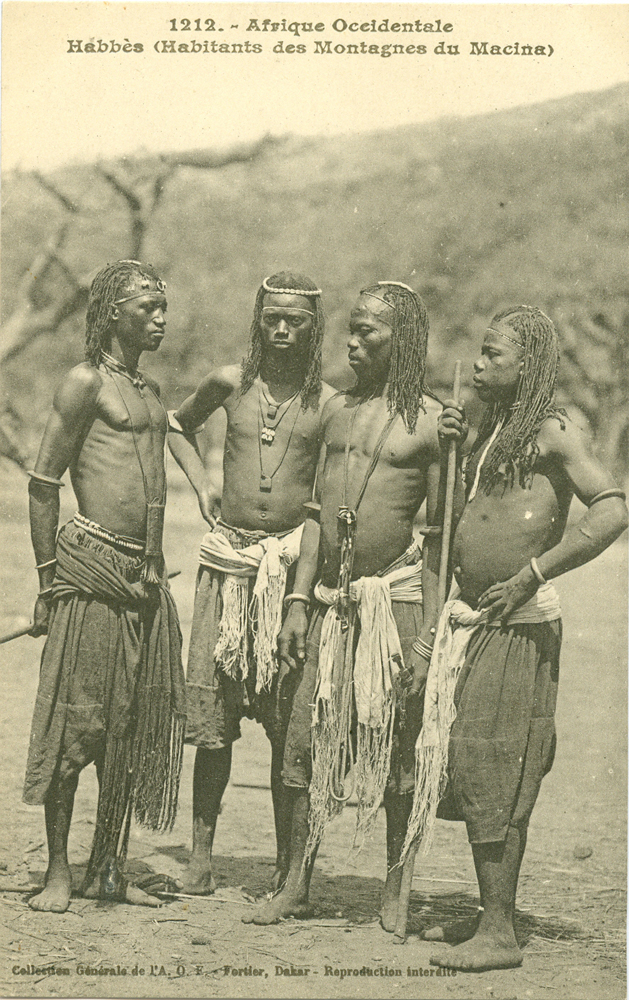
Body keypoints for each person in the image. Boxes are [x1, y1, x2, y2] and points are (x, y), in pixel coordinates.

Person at [403, 305, 628, 971]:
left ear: (525, 365)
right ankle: (488, 914)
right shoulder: (481, 431)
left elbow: (613, 507)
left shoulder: (553, 432)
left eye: (492, 355)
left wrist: (531, 574)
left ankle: (499, 931)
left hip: (516, 626)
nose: (476, 365)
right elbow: (449, 524)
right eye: (478, 352)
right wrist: (451, 449)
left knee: (499, 768)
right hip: (472, 621)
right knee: (471, 764)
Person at [243, 280, 451, 928]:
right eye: (351, 330)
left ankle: (396, 890)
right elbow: (312, 516)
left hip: (395, 605)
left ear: (404, 340)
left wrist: (426, 641)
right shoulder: (335, 411)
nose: (353, 342)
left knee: (398, 751)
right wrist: (298, 601)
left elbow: (443, 539)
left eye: (369, 332)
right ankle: (296, 882)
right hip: (329, 605)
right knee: (300, 745)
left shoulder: (434, 424)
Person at [23, 260, 186, 913]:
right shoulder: (84, 382)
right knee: (77, 725)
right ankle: (59, 872)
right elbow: (42, 483)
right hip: (88, 574)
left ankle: (109, 869)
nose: (160, 316)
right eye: (147, 305)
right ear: (111, 311)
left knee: (128, 728)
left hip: (142, 579)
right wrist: (46, 580)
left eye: (162, 304)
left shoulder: (148, 390)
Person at [168, 272, 336, 895]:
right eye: (274, 319)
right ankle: (201, 857)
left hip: (290, 578)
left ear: (314, 326)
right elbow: (176, 426)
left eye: (296, 320)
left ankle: (286, 865)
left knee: (289, 723)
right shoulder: (228, 383)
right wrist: (202, 485)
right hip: (228, 568)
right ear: (258, 320)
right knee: (212, 719)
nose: (284, 330)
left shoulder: (331, 402)